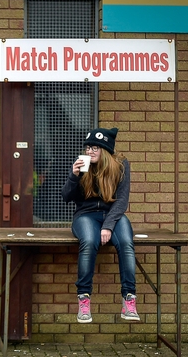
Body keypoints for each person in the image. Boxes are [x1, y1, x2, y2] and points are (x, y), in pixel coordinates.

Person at [60, 127, 139, 324]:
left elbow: (121, 201)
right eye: (87, 147)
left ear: (105, 150)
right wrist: (74, 176)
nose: (89, 152)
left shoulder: (120, 165)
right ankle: (84, 298)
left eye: (95, 148)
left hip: (113, 215)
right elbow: (66, 197)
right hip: (86, 215)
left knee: (127, 244)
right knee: (89, 241)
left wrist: (108, 226)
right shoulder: (84, 165)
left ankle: (129, 299)